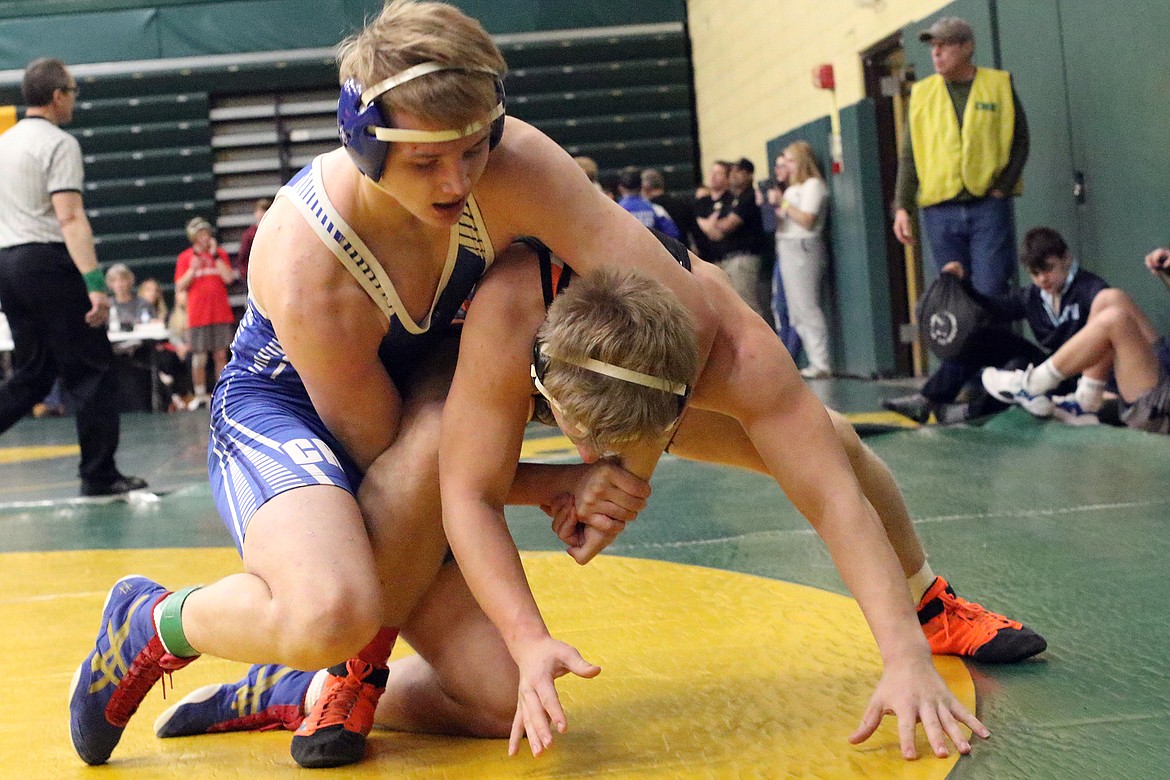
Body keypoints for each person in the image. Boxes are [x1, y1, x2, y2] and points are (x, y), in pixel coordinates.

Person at [68, 0, 718, 770]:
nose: (457, 181)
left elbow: (674, 297)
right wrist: (561, 482)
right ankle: (152, 624)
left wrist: (626, 468)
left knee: (503, 698)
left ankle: (294, 690)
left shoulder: (512, 170)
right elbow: (394, 459)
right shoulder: (311, 261)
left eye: (475, 149)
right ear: (364, 143)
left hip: (419, 433)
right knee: (329, 611)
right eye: (426, 162)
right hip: (290, 412)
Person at [155, 234, 1045, 762]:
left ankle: (927, 606)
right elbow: (468, 487)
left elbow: (827, 490)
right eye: (583, 438)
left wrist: (900, 653)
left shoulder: (727, 341)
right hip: (370, 385)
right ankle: (342, 666)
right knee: (425, 457)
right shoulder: (511, 317)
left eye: (613, 444)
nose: (592, 456)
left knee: (835, 444)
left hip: (628, 358)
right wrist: (546, 571)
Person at [0, 57, 146, 496]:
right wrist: (95, 285)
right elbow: (69, 217)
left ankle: (99, 470)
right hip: (46, 261)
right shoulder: (59, 144)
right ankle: (99, 475)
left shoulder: (4, 143)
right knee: (93, 370)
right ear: (58, 95)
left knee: (33, 373)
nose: (75, 101)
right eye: (74, 92)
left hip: (7, 263)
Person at [885, 16, 1029, 420]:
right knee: (954, 305)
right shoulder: (922, 94)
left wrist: (1004, 183)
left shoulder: (998, 85)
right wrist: (902, 207)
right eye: (933, 46)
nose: (936, 53)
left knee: (989, 296)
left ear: (967, 46)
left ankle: (970, 387)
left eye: (945, 45)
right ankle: (968, 386)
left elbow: (1020, 139)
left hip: (987, 208)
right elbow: (909, 156)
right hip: (939, 210)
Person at [895, 227, 1110, 425]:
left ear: (1066, 258)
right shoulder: (1032, 297)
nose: (1043, 279)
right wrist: (962, 284)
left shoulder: (1092, 290)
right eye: (1035, 273)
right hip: (1051, 370)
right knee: (981, 338)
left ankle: (973, 412)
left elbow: (1109, 341)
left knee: (1017, 365)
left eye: (1048, 269)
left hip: (1081, 382)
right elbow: (990, 310)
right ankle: (928, 399)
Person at [982, 287, 1169, 433]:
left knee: (1115, 320)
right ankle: (1087, 401)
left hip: (1162, 410)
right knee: (1109, 298)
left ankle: (1030, 386)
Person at [772, 141, 831, 378]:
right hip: (786, 247)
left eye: (791, 160)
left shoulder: (813, 186)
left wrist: (783, 204)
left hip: (803, 248)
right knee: (795, 311)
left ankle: (821, 361)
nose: (787, 165)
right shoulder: (790, 189)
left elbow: (807, 219)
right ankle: (814, 360)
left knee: (807, 306)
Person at [174, 216, 234, 410]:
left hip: (220, 313)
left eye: (206, 233)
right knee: (199, 357)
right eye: (200, 233)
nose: (204, 237)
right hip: (198, 315)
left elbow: (228, 278)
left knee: (220, 355)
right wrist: (192, 270)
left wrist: (215, 256)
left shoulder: (220, 254)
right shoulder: (185, 258)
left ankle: (222, 392)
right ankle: (200, 394)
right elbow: (180, 285)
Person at [697, 158, 767, 318]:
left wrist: (711, 224)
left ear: (749, 174)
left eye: (739, 172)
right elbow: (716, 232)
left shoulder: (748, 197)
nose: (734, 175)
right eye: (733, 171)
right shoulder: (734, 199)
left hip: (743, 256)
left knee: (748, 305)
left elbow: (728, 224)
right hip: (729, 258)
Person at [616, 166, 680, 239]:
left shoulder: (615, 210)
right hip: (651, 248)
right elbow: (672, 233)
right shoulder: (656, 209)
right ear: (642, 186)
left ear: (620, 188)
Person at [692, 160, 730, 262]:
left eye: (718, 173)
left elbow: (717, 233)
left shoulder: (730, 200)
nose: (713, 176)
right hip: (705, 258)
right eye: (712, 172)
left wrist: (701, 222)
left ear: (728, 178)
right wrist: (707, 224)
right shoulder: (701, 201)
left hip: (726, 256)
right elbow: (695, 224)